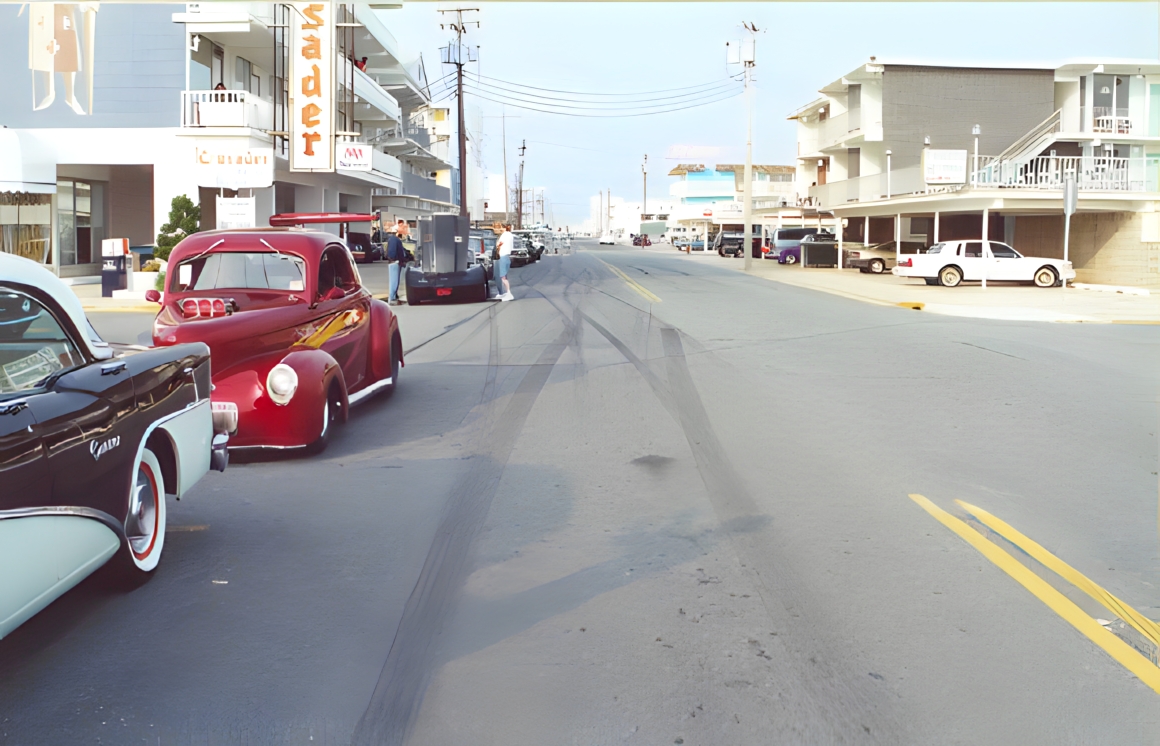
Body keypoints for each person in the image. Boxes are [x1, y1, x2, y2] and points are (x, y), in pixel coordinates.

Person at [385, 225, 405, 305]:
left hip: (394, 262)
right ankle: (392, 298)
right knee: (394, 281)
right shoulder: (395, 240)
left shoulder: (392, 239)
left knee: (395, 281)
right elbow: (395, 252)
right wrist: (396, 259)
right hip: (395, 263)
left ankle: (394, 297)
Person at [494, 224, 514, 301]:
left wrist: (497, 245)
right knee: (503, 276)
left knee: (503, 277)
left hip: (503, 256)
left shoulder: (505, 235)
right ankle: (502, 293)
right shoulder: (510, 235)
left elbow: (499, 244)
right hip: (506, 256)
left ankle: (509, 293)